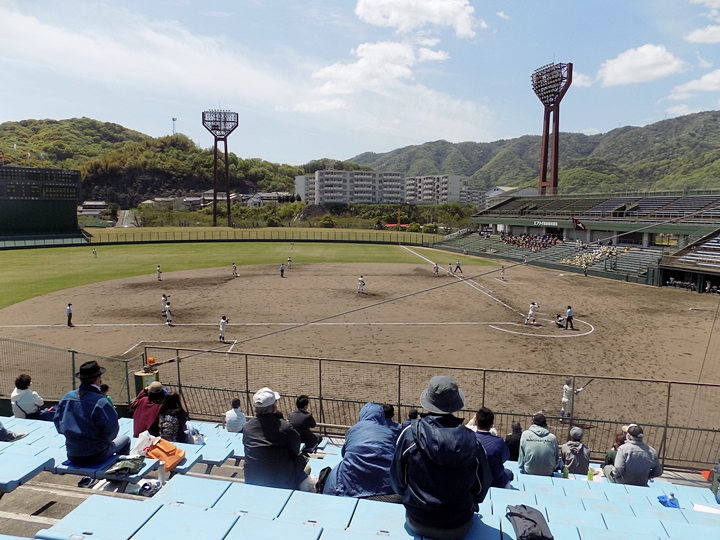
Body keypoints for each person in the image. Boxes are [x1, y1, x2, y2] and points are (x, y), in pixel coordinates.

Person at [391, 376, 491, 540]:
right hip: (459, 524)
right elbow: (481, 487)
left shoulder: (409, 436)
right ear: (456, 403)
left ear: (428, 401)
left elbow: (398, 481)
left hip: (418, 520)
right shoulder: (473, 441)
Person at [54, 361, 130, 465]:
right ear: (97, 380)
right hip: (97, 455)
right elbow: (112, 433)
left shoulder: (66, 398)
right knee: (126, 440)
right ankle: (120, 472)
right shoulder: (101, 402)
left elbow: (59, 426)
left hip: (72, 454)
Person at [323, 402, 399, 499]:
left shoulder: (353, 429)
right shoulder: (389, 432)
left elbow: (344, 453)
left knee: (335, 475)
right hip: (385, 483)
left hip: (352, 481)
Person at [242, 387, 308, 489]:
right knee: (306, 464)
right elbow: (295, 449)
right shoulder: (284, 427)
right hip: (280, 480)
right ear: (273, 408)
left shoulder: (247, 427)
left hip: (253, 478)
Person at [474, 407, 513, 488]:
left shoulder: (468, 440)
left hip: (474, 480)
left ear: (476, 422)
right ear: (492, 425)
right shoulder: (498, 442)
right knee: (509, 473)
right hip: (494, 481)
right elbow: (505, 457)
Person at [518, 412, 561, 476]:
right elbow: (556, 458)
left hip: (529, 470)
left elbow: (521, 456)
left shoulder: (525, 434)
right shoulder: (552, 438)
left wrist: (521, 466)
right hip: (548, 472)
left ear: (533, 422)